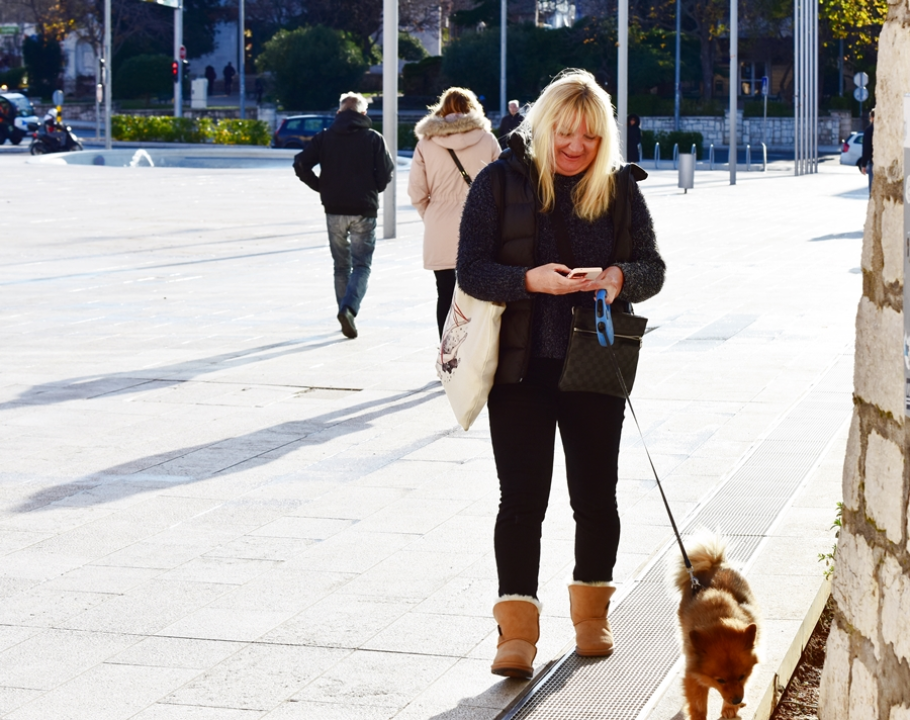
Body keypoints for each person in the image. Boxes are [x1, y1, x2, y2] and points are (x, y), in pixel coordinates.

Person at [456, 69, 666, 679]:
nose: (576, 148)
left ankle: (592, 618)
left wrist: (619, 277)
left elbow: (653, 267)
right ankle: (516, 632)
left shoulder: (621, 189)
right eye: (565, 135)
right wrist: (528, 280)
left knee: (596, 497)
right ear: (542, 127)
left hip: (595, 360)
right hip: (520, 369)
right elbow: (470, 269)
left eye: (590, 138)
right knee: (522, 501)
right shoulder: (499, 183)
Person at [294, 92, 395, 339]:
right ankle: (349, 309)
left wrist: (321, 186)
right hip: (363, 209)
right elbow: (386, 172)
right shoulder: (373, 138)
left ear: (339, 113)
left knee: (341, 265)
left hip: (334, 208)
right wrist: (374, 189)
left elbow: (300, 164)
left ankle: (343, 312)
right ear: (364, 114)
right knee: (361, 264)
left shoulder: (324, 138)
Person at [408, 87, 500, 337]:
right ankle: (476, 354)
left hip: (439, 224)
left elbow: (416, 191)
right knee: (479, 293)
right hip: (480, 223)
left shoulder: (426, 143)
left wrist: (432, 215)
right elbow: (502, 186)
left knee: (445, 292)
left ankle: (448, 358)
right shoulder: (487, 139)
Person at [859, 108, 874, 195]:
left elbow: (866, 149)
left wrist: (863, 164)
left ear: (871, 118)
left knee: (872, 191)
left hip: (872, 162)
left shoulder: (869, 130)